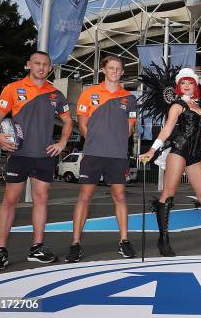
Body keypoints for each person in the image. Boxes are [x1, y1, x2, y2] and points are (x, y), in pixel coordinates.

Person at [0, 51, 73, 271]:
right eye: (37, 63)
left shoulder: (55, 94)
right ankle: (1, 252)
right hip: (19, 153)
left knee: (41, 200)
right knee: (10, 201)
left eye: (45, 64)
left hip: (44, 155)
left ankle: (37, 248)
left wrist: (62, 143)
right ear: (28, 65)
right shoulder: (13, 89)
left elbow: (68, 121)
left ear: (50, 68)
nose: (41, 68)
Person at [139, 66, 201, 256]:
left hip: (195, 154)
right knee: (168, 195)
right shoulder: (177, 105)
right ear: (179, 86)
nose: (186, 86)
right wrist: (152, 150)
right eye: (183, 83)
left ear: (195, 85)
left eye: (190, 83)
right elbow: (167, 129)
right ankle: (163, 240)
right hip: (179, 150)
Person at [65, 56, 137, 262]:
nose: (115, 71)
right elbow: (83, 126)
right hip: (93, 153)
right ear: (103, 69)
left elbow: (130, 129)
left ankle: (124, 241)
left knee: (120, 197)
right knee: (84, 197)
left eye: (118, 68)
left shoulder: (129, 98)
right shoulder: (88, 94)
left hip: (117, 155)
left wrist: (115, 142)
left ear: (122, 72)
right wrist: (98, 141)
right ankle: (75, 243)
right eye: (111, 67)